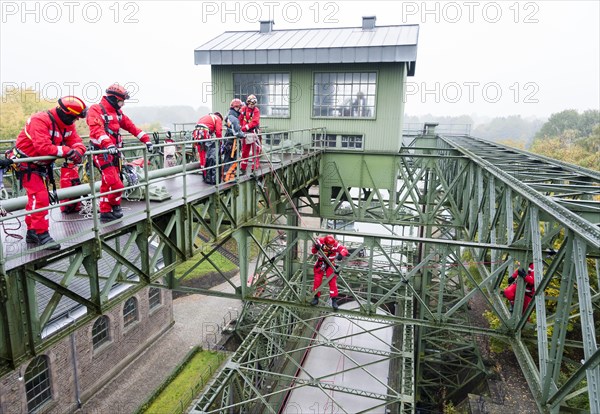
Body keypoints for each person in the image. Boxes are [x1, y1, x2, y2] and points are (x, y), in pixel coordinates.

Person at [14, 96, 88, 249]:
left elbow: (77, 141)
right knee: (40, 198)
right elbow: (43, 147)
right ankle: (41, 234)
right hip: (27, 166)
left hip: (40, 167)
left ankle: (32, 231)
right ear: (66, 113)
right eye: (74, 117)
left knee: (35, 199)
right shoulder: (39, 121)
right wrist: (69, 151)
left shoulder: (67, 125)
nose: (75, 121)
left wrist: (79, 151)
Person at [86, 83, 153, 221]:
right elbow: (96, 130)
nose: (122, 104)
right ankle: (115, 205)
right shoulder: (96, 110)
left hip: (114, 153)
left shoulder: (117, 113)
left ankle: (105, 211)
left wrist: (146, 140)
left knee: (106, 183)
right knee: (116, 184)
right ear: (114, 99)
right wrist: (108, 144)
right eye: (121, 101)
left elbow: (131, 126)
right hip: (101, 153)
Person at [310, 234, 349, 310]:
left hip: (330, 263)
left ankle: (334, 300)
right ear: (326, 243)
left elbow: (344, 250)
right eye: (329, 245)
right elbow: (313, 251)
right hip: (321, 262)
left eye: (331, 245)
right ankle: (316, 297)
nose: (331, 247)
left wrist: (341, 254)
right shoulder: (320, 242)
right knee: (317, 280)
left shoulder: (335, 244)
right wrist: (316, 248)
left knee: (332, 281)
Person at [194, 112, 223, 184]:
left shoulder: (206, 116)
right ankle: (209, 176)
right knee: (207, 154)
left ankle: (205, 175)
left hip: (197, 133)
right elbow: (219, 132)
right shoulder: (218, 118)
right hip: (204, 133)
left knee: (201, 155)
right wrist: (220, 143)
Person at [222, 99, 245, 182]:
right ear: (236, 107)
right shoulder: (234, 118)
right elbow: (237, 132)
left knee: (227, 159)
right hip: (232, 142)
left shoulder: (229, 115)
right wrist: (244, 135)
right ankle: (229, 178)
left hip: (228, 140)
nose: (241, 109)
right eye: (240, 107)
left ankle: (227, 177)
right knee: (233, 159)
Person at [239, 94, 261, 175]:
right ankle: (243, 168)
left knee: (256, 150)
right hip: (246, 133)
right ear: (248, 102)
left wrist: (245, 127)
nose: (252, 105)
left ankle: (254, 167)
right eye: (251, 103)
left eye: (254, 104)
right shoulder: (243, 109)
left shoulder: (256, 110)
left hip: (254, 132)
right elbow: (240, 118)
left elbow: (255, 121)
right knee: (245, 151)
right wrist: (240, 128)